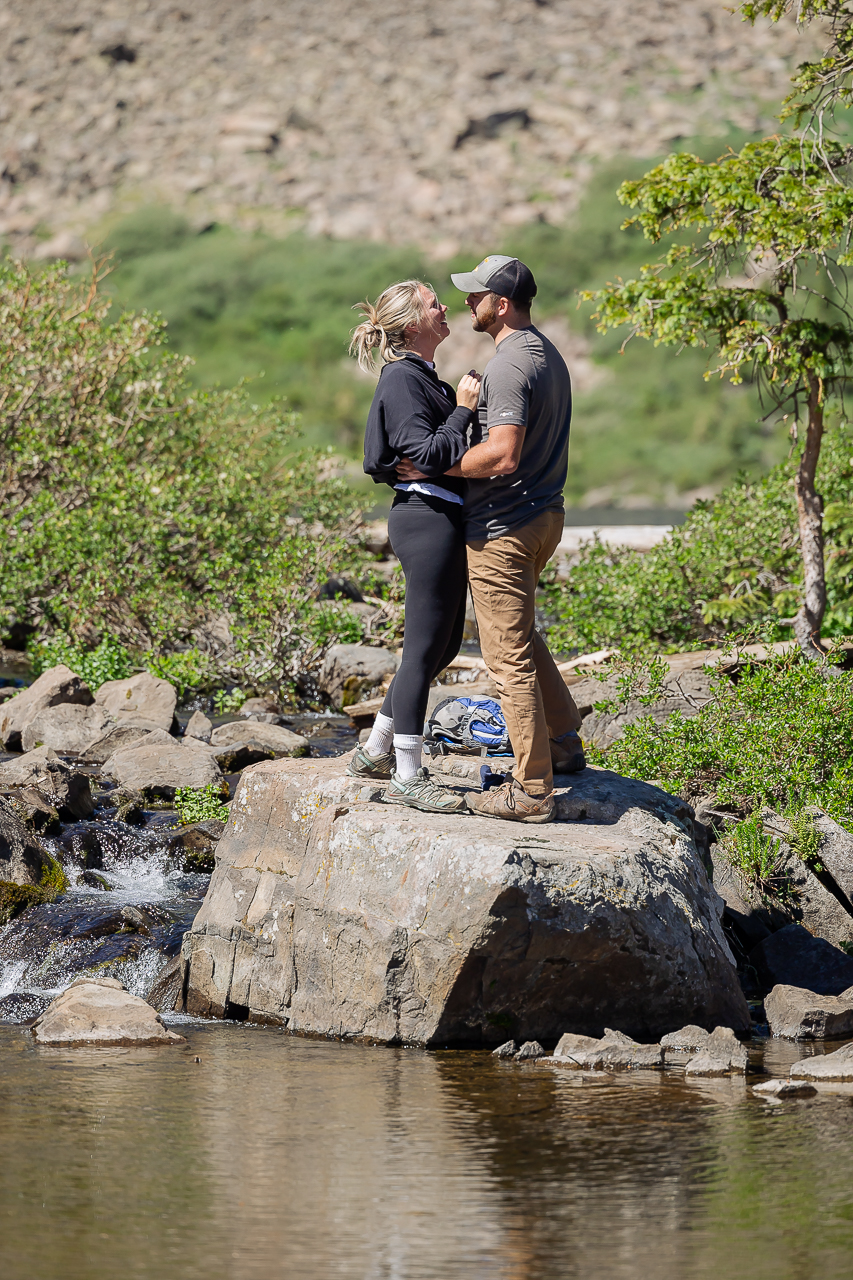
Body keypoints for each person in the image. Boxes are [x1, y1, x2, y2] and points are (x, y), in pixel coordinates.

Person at [398, 255, 584, 824]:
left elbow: (503, 453)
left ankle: (530, 791)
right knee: (522, 633)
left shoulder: (508, 366)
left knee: (507, 658)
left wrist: (435, 469)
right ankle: (563, 744)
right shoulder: (545, 353)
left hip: (505, 527)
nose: (465, 304)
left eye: (475, 295)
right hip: (543, 516)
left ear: (500, 304)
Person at [347, 279, 481, 814]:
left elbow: (383, 455)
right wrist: (465, 409)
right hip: (425, 519)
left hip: (436, 515)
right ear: (410, 324)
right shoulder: (404, 378)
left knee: (442, 648)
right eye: (433, 303)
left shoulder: (421, 378)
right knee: (424, 650)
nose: (444, 307)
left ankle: (377, 748)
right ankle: (408, 774)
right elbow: (425, 453)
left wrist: (450, 418)